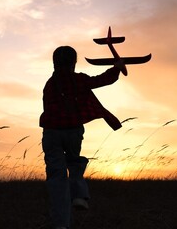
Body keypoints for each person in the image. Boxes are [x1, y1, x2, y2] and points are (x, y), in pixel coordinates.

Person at [39, 46, 126, 229]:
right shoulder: (79, 80)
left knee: (56, 176)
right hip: (73, 131)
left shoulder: (49, 84)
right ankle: (79, 195)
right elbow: (103, 80)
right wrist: (117, 67)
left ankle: (61, 224)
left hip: (52, 133)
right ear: (74, 62)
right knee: (75, 163)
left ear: (54, 62)